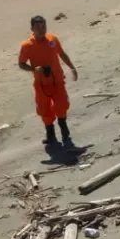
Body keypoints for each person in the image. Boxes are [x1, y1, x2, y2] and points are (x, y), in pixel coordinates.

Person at [18, 15, 80, 148]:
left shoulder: (52, 39)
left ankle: (64, 129)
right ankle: (50, 134)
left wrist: (72, 68)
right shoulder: (27, 45)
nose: (41, 29)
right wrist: (34, 69)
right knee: (44, 110)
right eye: (38, 27)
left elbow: (62, 53)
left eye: (43, 26)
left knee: (62, 105)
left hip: (57, 80)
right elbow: (21, 64)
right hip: (41, 84)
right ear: (32, 28)